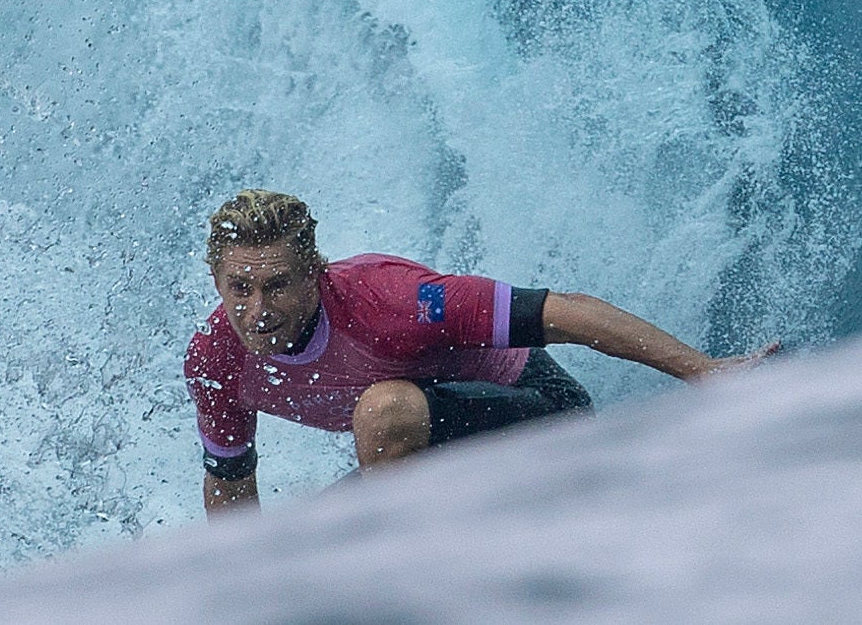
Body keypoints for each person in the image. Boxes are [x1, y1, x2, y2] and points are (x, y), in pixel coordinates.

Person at [186, 189, 781, 514]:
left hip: (543, 415)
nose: (259, 307)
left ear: (314, 274)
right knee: (304, 545)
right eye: (241, 287)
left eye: (278, 285)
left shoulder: (392, 301)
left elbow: (565, 312)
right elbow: (231, 483)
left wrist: (706, 372)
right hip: (428, 454)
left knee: (382, 409)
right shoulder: (215, 360)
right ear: (217, 281)